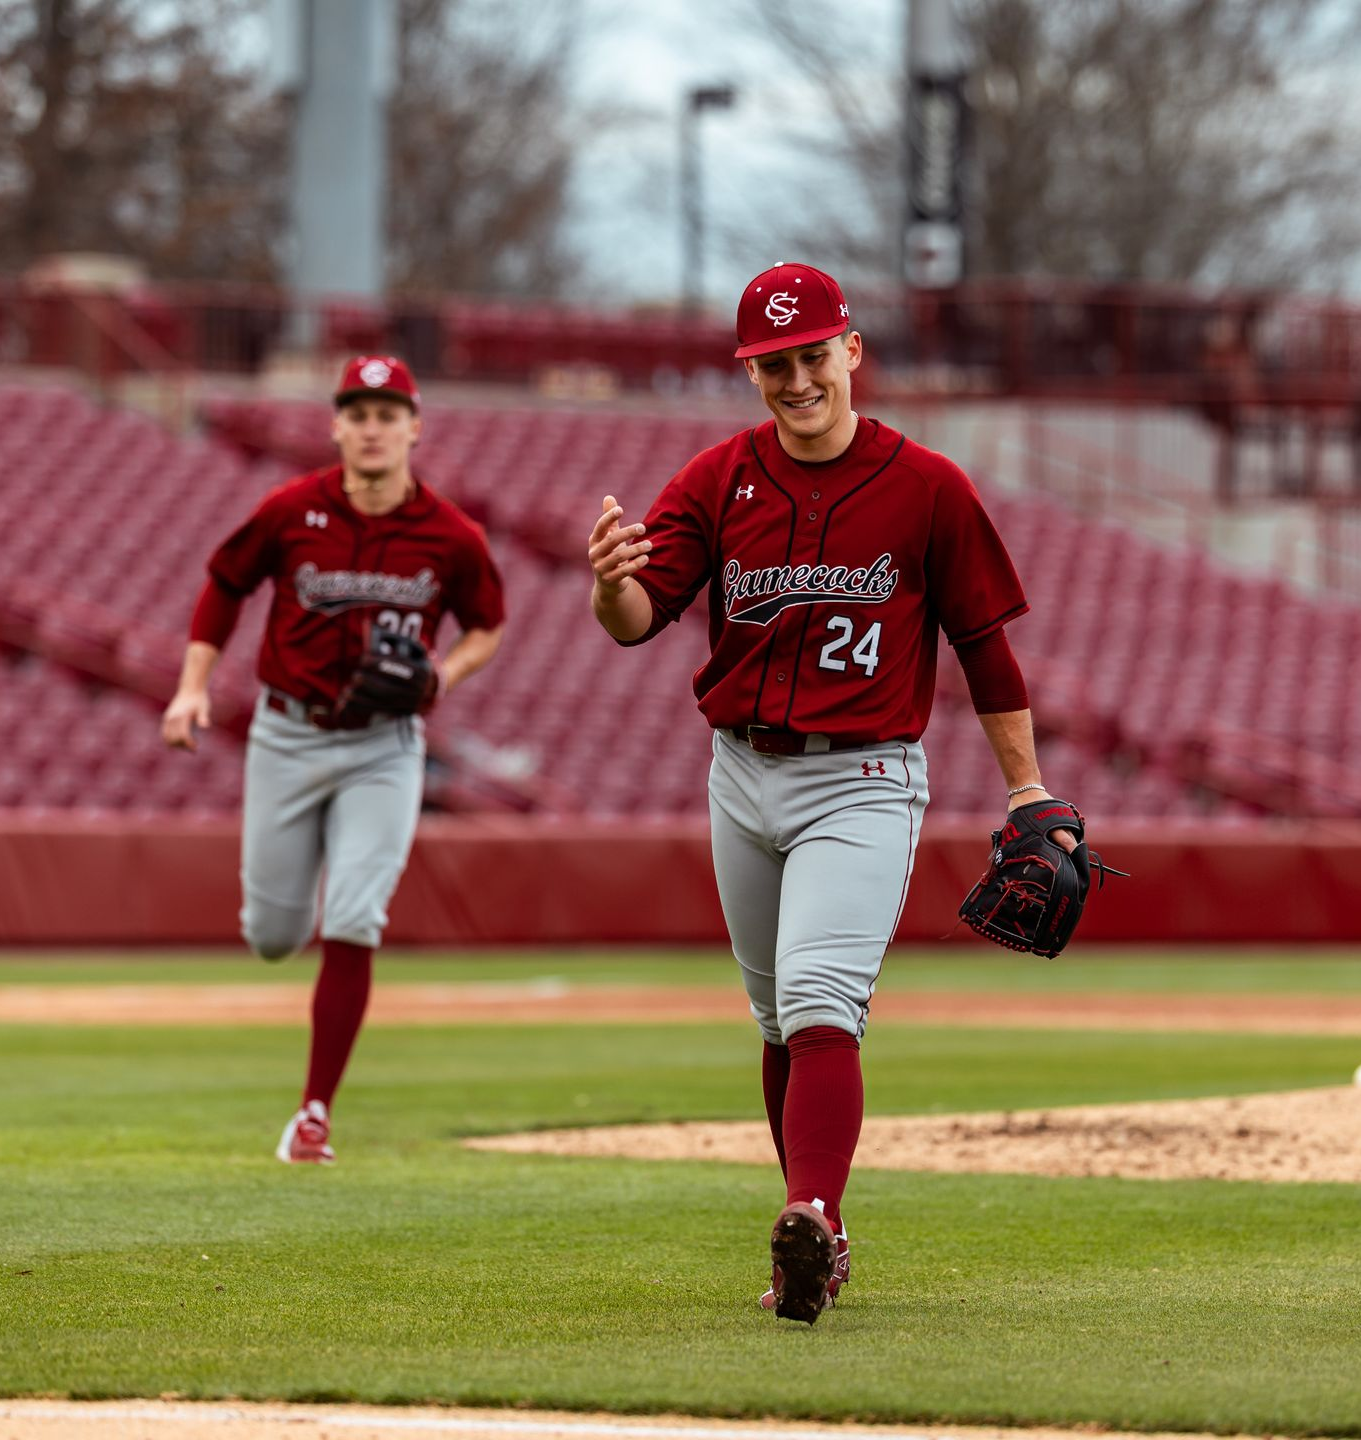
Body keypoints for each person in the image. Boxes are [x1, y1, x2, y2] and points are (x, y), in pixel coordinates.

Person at [585, 262, 1075, 1323]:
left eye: (812, 354)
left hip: (861, 777)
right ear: (751, 371)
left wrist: (1028, 789)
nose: (796, 378)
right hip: (741, 771)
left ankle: (811, 1205)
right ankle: (819, 1231)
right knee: (776, 1017)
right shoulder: (719, 478)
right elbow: (640, 618)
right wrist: (609, 583)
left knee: (817, 1002)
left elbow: (984, 648)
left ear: (851, 351)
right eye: (773, 363)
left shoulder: (929, 486)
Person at [163, 355, 505, 1164]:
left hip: (384, 747)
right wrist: (190, 688)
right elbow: (224, 582)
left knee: (354, 916)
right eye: (358, 412)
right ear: (336, 426)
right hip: (287, 733)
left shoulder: (451, 535)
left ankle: (314, 1112)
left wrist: (439, 677)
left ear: (414, 427)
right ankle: (283, 931)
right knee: (274, 935)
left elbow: (486, 624)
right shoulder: (291, 510)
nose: (373, 427)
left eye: (388, 413)